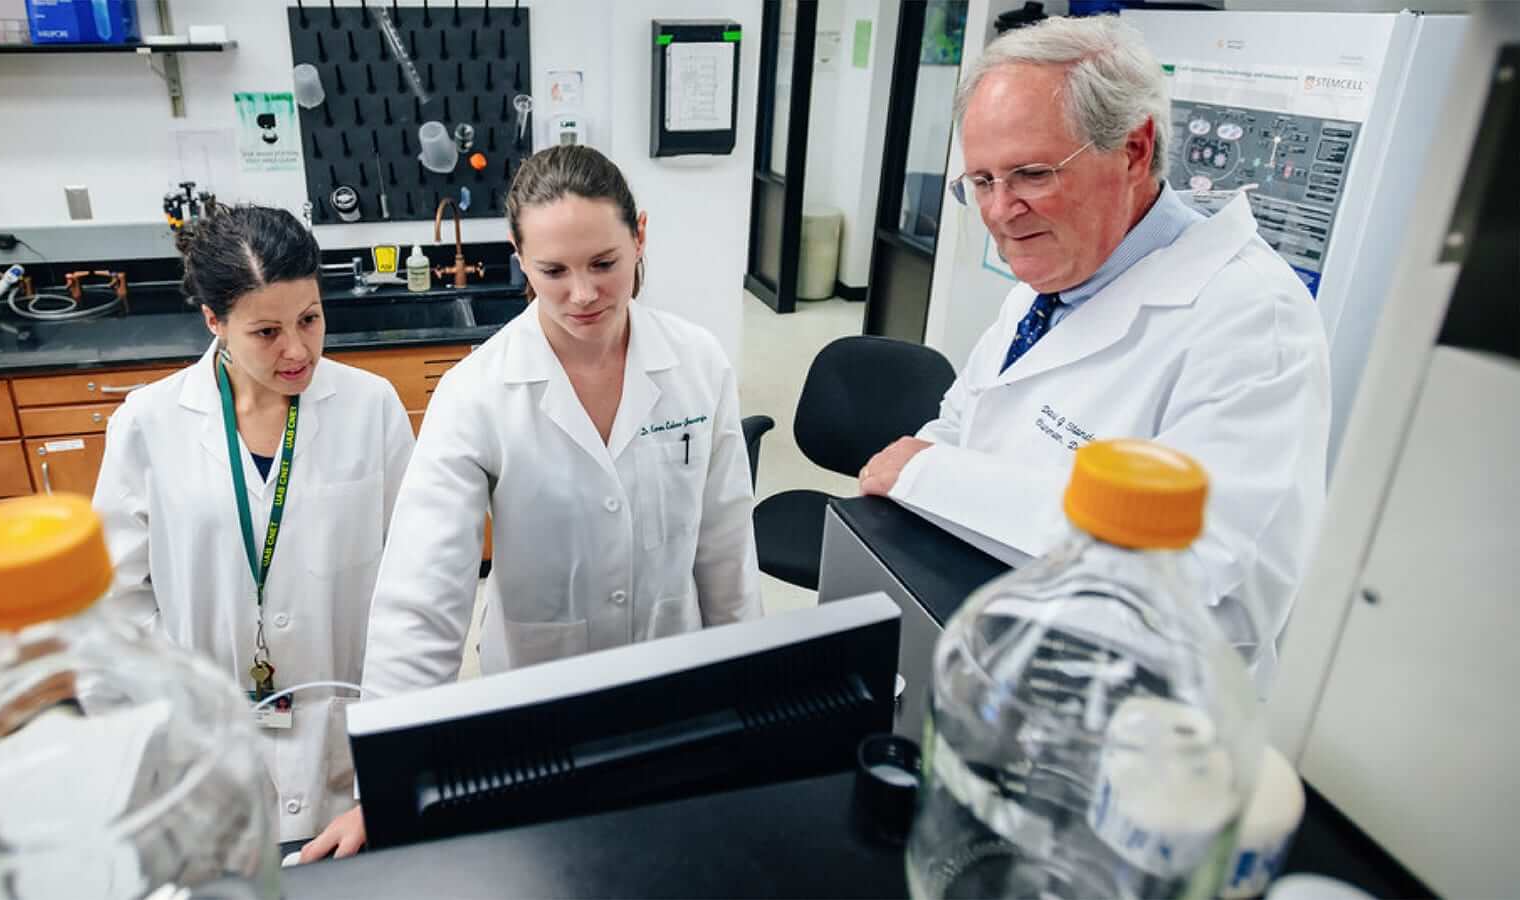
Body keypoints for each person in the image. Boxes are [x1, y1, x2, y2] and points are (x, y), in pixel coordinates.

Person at [302, 145, 764, 860]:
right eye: (553, 271)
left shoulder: (699, 364)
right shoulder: (477, 393)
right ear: (520, 258)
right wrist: (385, 787)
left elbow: (727, 553)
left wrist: (753, 703)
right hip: (537, 707)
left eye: (605, 263)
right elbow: (422, 600)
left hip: (677, 689)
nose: (583, 294)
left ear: (640, 234)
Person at [858, 16, 1330, 694]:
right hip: (979, 650)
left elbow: (1214, 591)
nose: (1000, 212)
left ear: (1135, 151)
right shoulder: (1051, 276)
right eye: (981, 182)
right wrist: (919, 482)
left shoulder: (1255, 321)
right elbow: (962, 424)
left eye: (1029, 173)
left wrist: (934, 478)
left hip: (1125, 713)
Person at [91, 205, 414, 849]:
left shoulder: (370, 407)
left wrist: (391, 767)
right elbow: (115, 608)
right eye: (267, 331)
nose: (298, 350)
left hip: (347, 749)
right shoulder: (149, 423)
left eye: (310, 319)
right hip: (206, 749)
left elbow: (410, 591)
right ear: (214, 322)